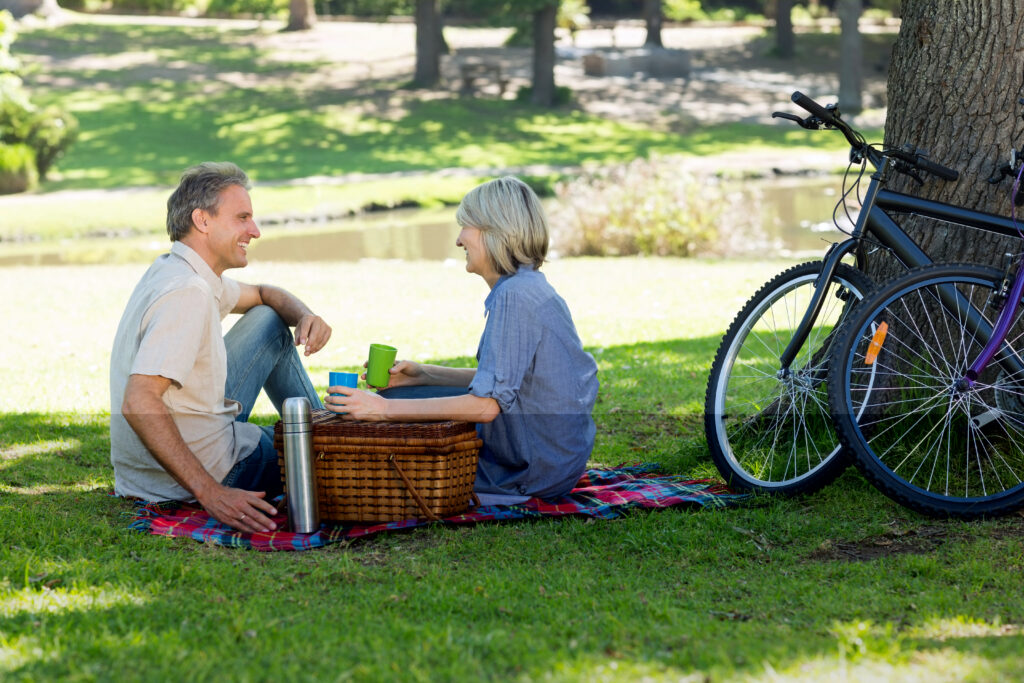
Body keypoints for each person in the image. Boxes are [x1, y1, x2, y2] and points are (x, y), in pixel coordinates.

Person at [325, 176, 599, 505]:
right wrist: (425, 374)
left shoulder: (515, 296)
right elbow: (519, 381)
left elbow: (485, 406)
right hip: (554, 458)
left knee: (389, 432)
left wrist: (381, 409)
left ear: (494, 230)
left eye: (466, 226)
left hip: (530, 473)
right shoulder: (528, 286)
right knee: (414, 393)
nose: (458, 240)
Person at [110, 161, 332, 533]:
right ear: (203, 220)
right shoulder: (188, 293)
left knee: (268, 317)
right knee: (300, 450)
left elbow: (264, 294)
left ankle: (322, 431)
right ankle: (330, 444)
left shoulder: (179, 270)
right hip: (198, 478)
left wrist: (306, 314)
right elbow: (139, 401)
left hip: (145, 476)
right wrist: (211, 493)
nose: (255, 231)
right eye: (242, 218)